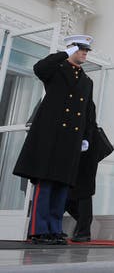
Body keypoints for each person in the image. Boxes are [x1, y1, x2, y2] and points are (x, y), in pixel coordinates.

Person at [13, 35, 97, 245]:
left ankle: (54, 228)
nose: (85, 53)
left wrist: (86, 137)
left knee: (62, 185)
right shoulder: (56, 71)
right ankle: (39, 230)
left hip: (71, 140)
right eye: (80, 49)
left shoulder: (87, 81)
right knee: (46, 183)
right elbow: (39, 68)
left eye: (87, 50)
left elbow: (88, 112)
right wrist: (63, 54)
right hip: (51, 137)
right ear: (71, 50)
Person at [65, 105, 113, 243]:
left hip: (87, 151)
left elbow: (88, 123)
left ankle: (83, 230)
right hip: (79, 152)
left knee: (83, 193)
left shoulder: (85, 102)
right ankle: (82, 226)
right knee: (71, 195)